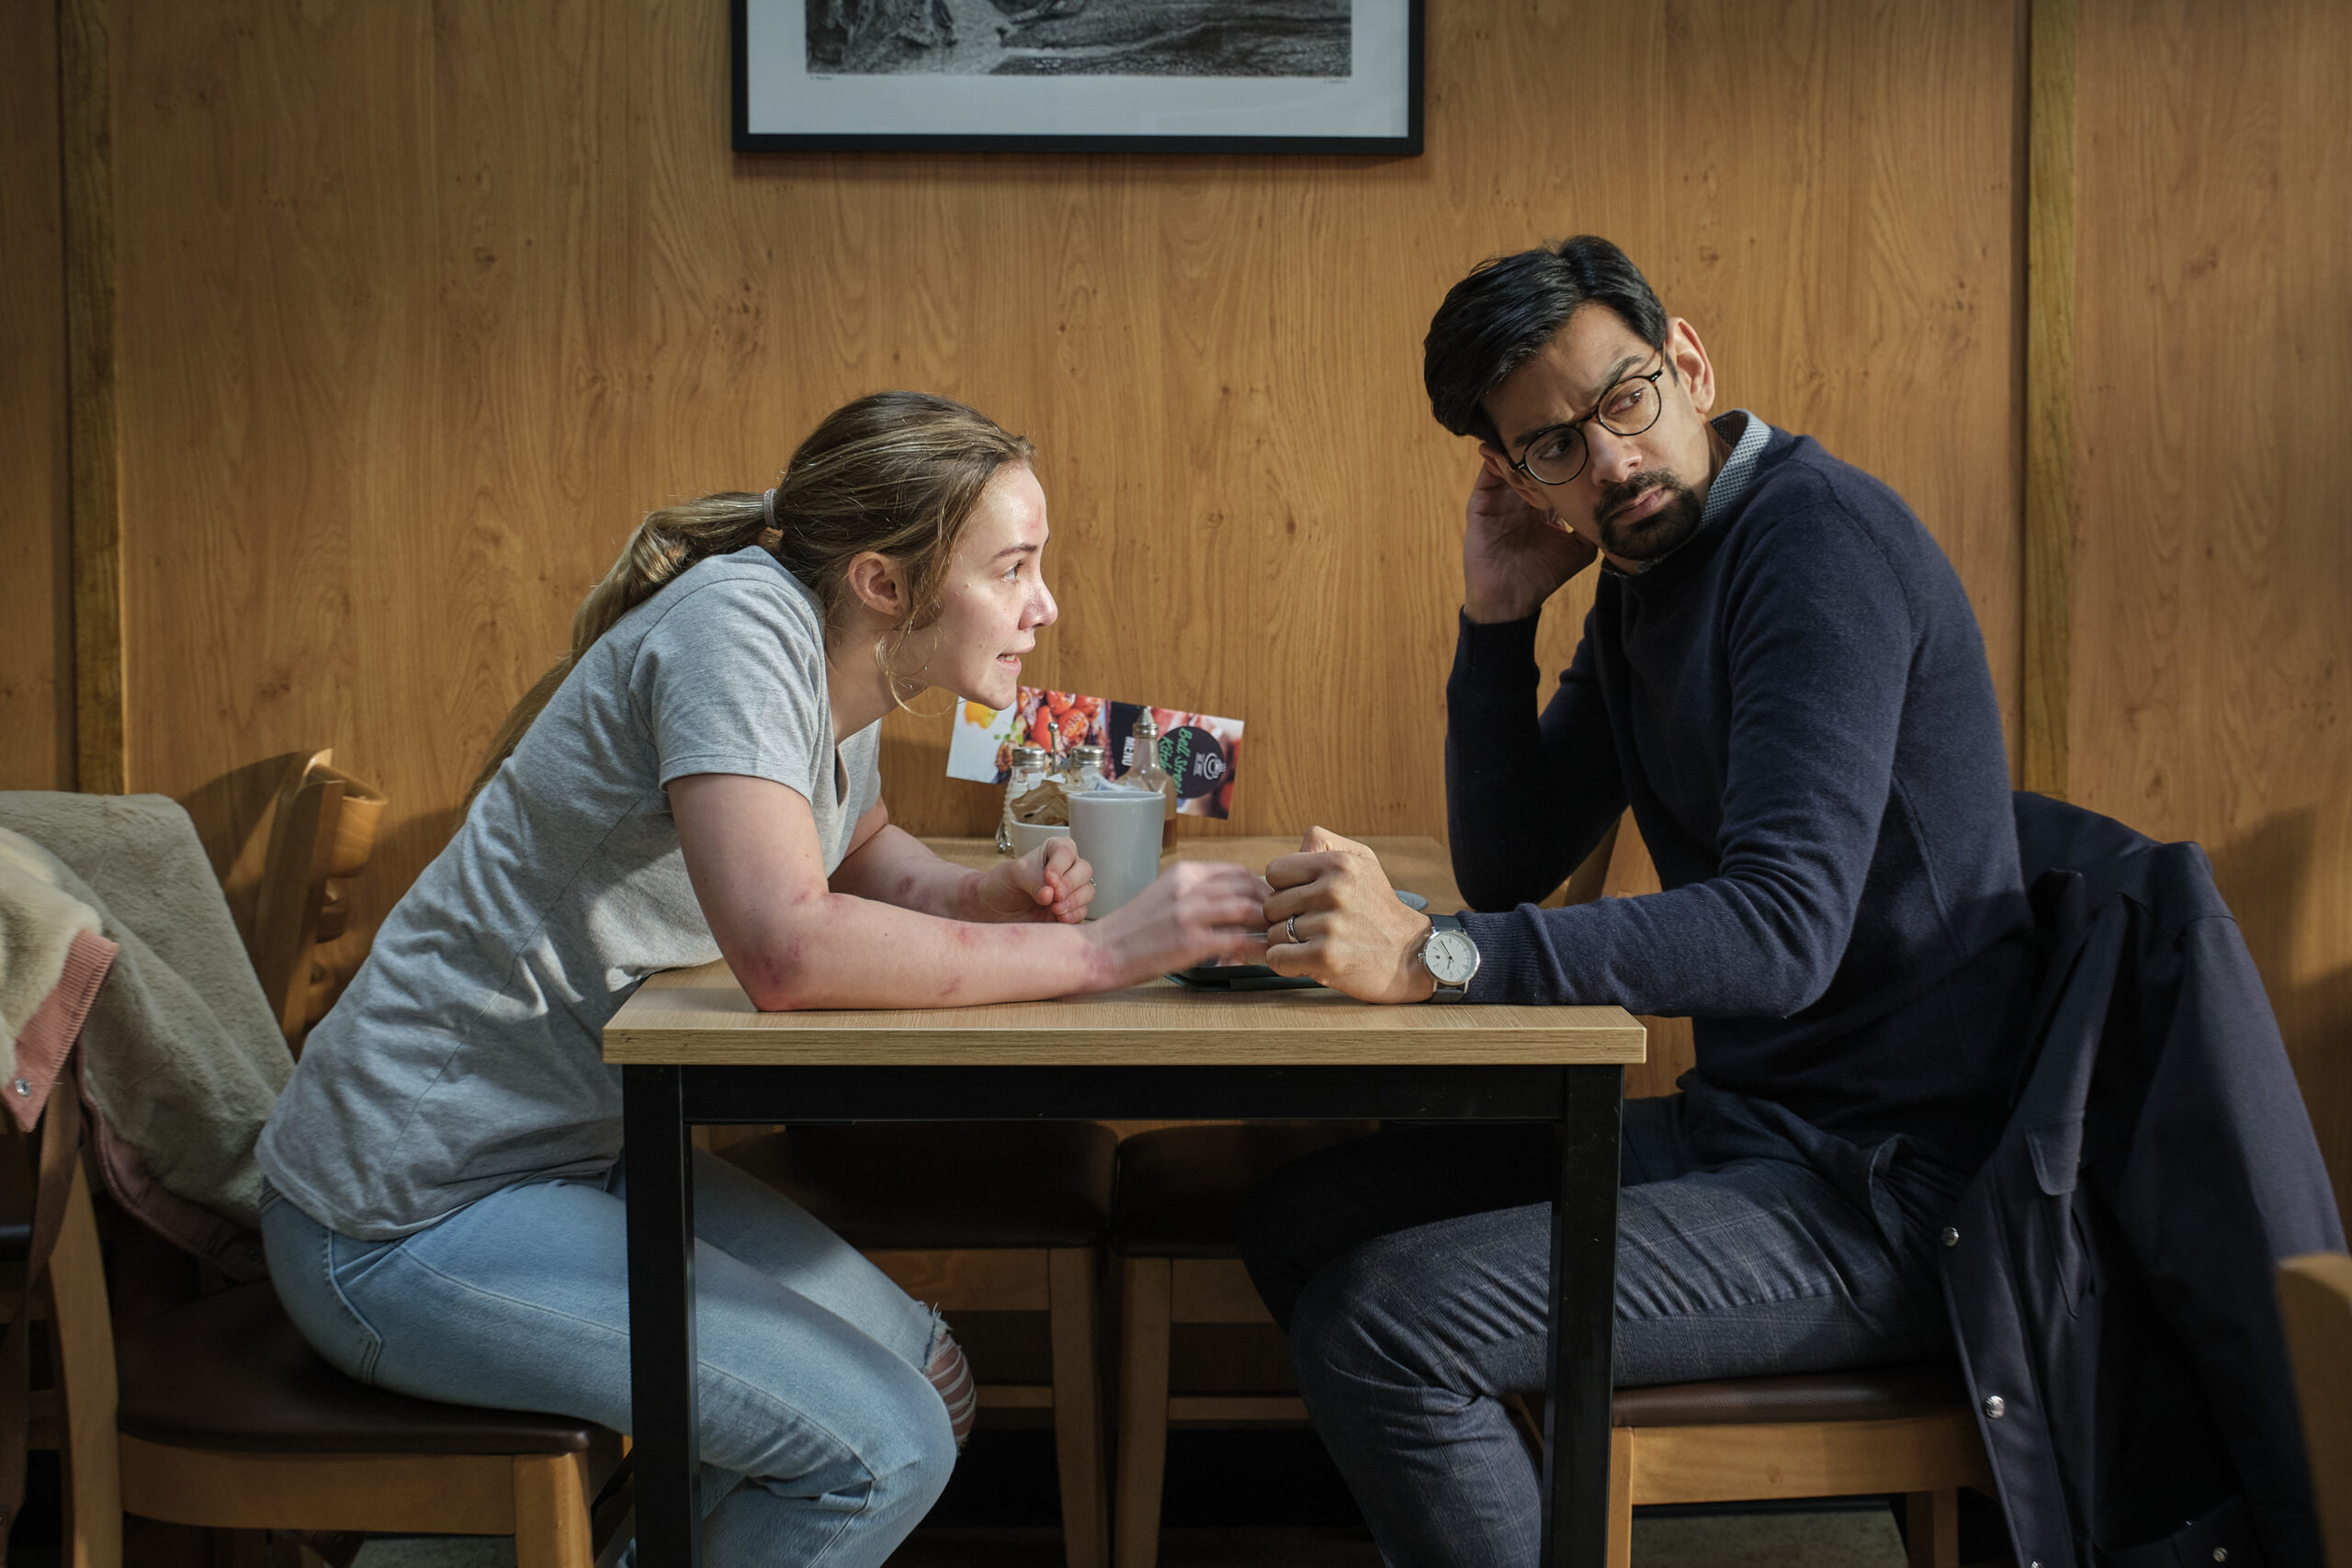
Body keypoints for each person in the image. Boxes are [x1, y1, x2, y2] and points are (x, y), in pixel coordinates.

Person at [254, 391, 1268, 1568]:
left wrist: (989, 896)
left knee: (924, 1383)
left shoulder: (843, 661)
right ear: (887, 583)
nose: (1046, 606)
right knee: (879, 1450)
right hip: (400, 1214)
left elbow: (866, 859)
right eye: (1015, 569)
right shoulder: (738, 630)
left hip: (573, 1156)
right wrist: (1106, 953)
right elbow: (788, 951)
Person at [1236, 238, 2037, 1566]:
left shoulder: (1811, 548)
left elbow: (1779, 933)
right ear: (1512, 474)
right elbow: (1512, 858)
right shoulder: (1646, 576)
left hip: (1895, 1183)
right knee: (1304, 1222)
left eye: (1624, 399)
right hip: (1764, 1131)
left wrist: (1432, 954)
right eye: (1551, 446)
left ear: (1690, 362)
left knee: (1380, 1319)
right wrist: (1494, 623)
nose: (1609, 461)